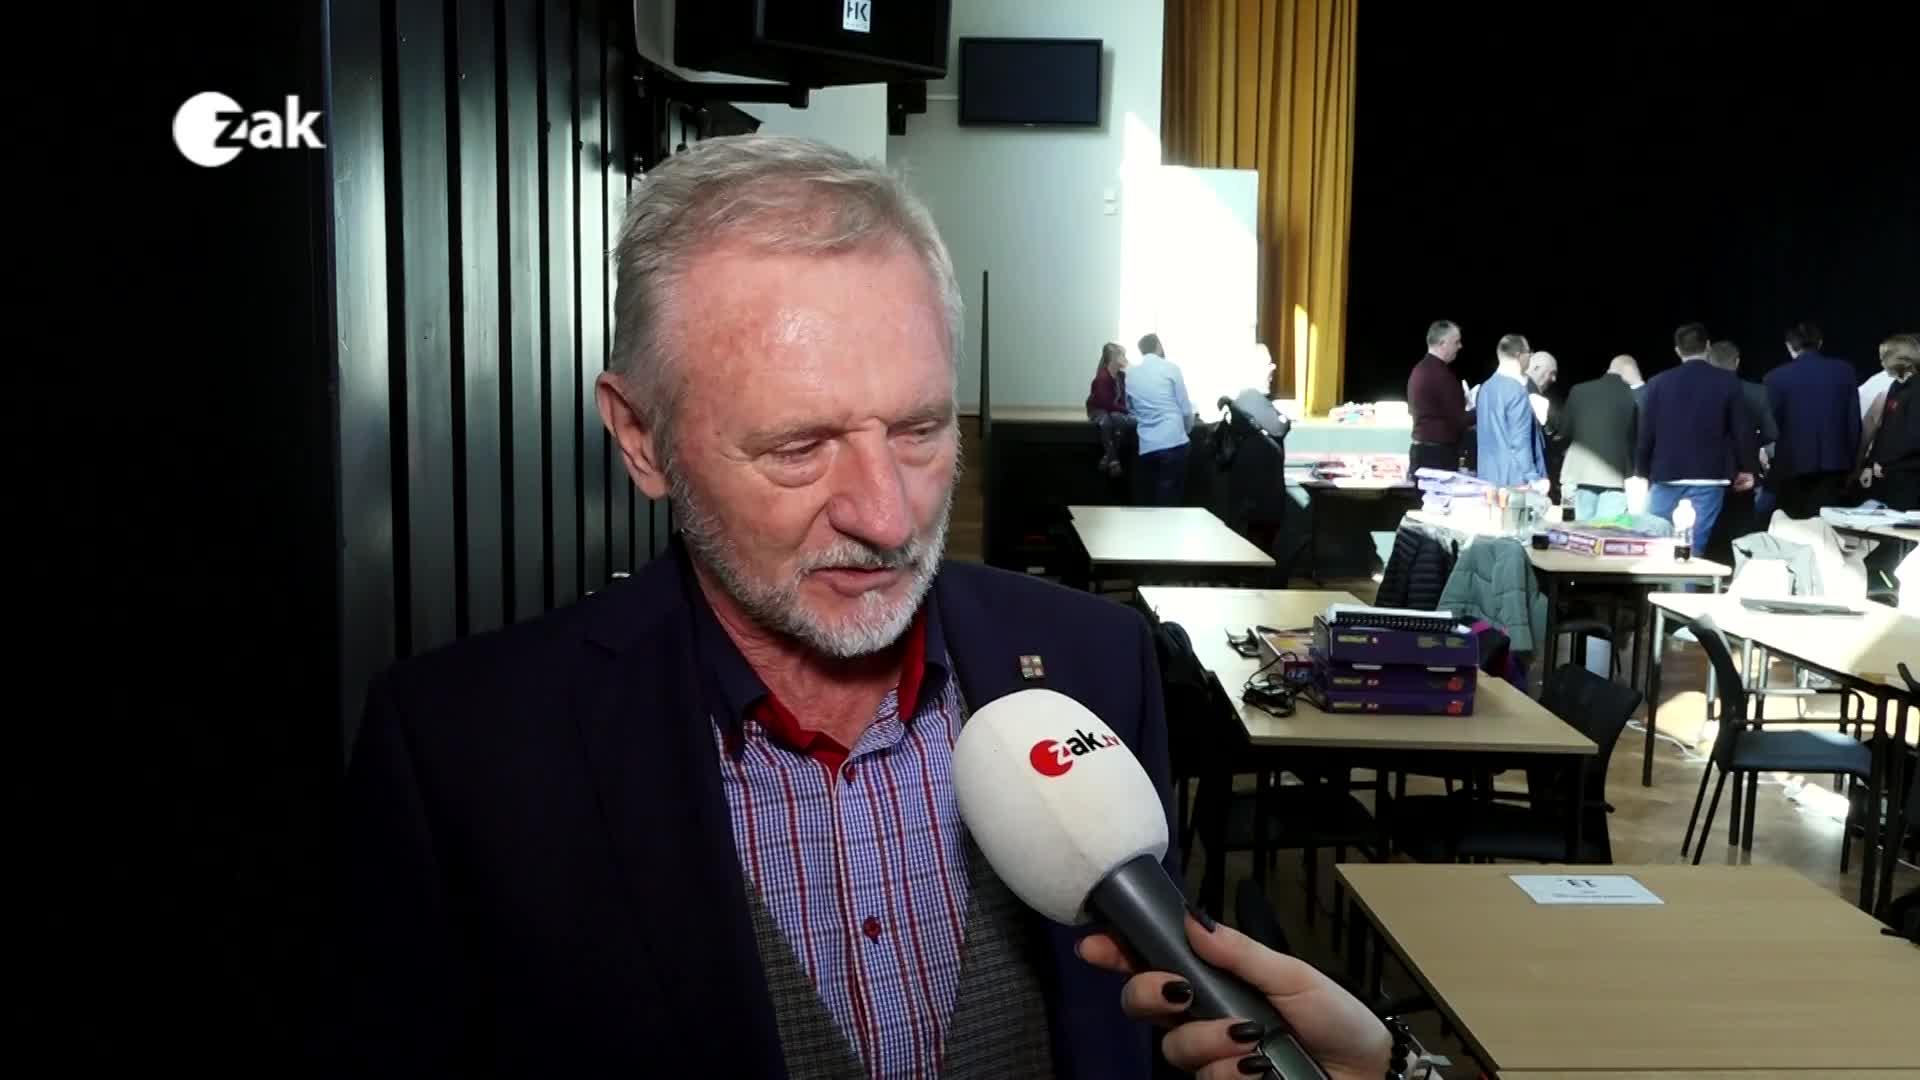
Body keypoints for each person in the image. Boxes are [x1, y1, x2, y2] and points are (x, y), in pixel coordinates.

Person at [321, 135, 1239, 1079]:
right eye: (799, 448)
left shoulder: (1097, 661)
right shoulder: (462, 754)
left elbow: (1149, 1032)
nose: (887, 518)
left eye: (919, 429)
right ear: (641, 438)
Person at [1637, 322, 1757, 556]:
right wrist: (1748, 468)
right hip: (1710, 477)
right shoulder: (1727, 382)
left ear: (1677, 350)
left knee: (1653, 541)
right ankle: (1687, 577)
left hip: (1667, 474)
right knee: (1693, 544)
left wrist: (1641, 472)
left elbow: (1646, 433)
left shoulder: (1658, 383)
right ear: (1708, 346)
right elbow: (1742, 430)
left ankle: (1654, 579)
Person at [1765, 320, 1862, 518]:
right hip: (1835, 463)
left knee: (1794, 525)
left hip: (1791, 464)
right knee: (1825, 524)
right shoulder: (1844, 371)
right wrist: (1853, 463)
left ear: (1789, 346)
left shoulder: (1775, 377)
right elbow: (1853, 422)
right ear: (1820, 342)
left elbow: (1771, 426)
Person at [1706, 340, 1779, 541]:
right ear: (1737, 362)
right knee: (1740, 531)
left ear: (1708, 361)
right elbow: (1771, 433)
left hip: (1706, 472)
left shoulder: (1698, 392)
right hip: (1743, 473)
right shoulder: (1757, 392)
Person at [1559, 354, 1641, 520]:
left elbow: (1564, 431)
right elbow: (1639, 438)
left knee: (1573, 530)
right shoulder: (1634, 397)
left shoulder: (1579, 390)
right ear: (1629, 371)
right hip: (1616, 479)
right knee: (1606, 531)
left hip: (1577, 475)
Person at [1126, 333, 1196, 505]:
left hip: (1147, 446)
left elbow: (1130, 408)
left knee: (1149, 502)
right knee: (1170, 504)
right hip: (1174, 442)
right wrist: (1186, 431)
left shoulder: (1131, 374)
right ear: (1158, 346)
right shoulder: (1171, 368)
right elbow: (1185, 409)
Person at [1475, 334, 1550, 489]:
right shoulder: (1517, 390)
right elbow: (1519, 442)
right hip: (1515, 481)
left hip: (1487, 477)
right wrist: (1533, 478)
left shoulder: (1485, 388)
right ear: (1519, 355)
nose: (1530, 356)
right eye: (1529, 352)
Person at [1859, 333, 1920, 510]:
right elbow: (1884, 430)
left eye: (1884, 357)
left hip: (1909, 476)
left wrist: (1885, 462)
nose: (1881, 362)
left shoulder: (1917, 389)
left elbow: (1914, 437)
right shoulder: (1896, 386)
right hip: (1889, 473)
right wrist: (1870, 464)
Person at [1406, 320, 1470, 474]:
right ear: (1443, 344)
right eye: (1456, 342)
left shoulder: (1420, 369)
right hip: (1437, 458)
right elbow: (1458, 420)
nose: (1460, 346)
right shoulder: (1441, 375)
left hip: (1423, 452)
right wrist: (1483, 411)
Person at [1085, 342, 1135, 476]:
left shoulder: (1121, 376)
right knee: (1106, 421)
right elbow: (1105, 403)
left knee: (1118, 420)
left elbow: (1122, 398)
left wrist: (1125, 410)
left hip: (1113, 409)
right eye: (1123, 355)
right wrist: (1126, 411)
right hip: (1098, 409)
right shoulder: (1102, 377)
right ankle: (1113, 460)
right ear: (1113, 358)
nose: (1126, 358)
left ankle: (1108, 456)